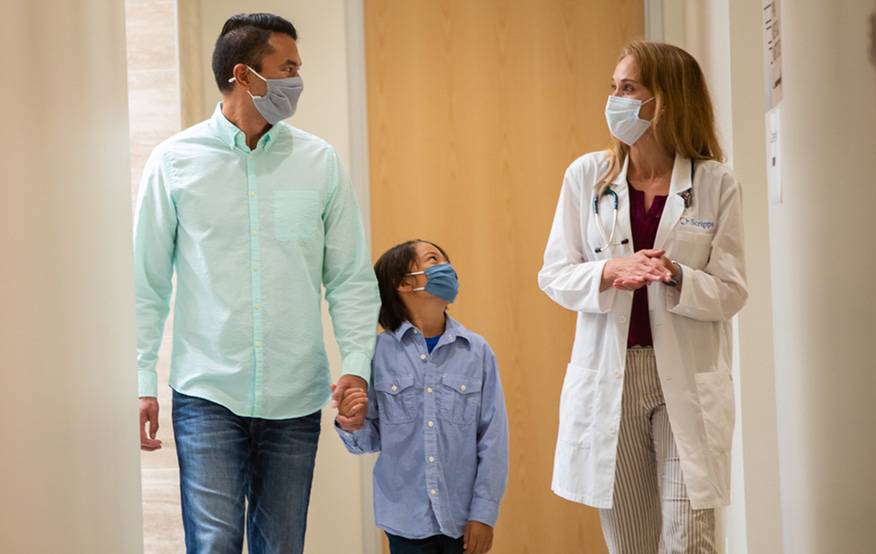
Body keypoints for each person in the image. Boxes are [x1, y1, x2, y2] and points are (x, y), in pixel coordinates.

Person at [133, 12, 379, 553]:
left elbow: (351, 279)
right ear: (244, 76)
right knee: (215, 544)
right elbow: (145, 283)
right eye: (287, 67)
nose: (297, 79)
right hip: (206, 392)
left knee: (283, 546)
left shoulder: (320, 163)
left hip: (294, 395)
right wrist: (141, 379)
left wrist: (357, 367)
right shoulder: (174, 162)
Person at [538, 40, 748, 554]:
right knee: (631, 543)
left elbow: (731, 290)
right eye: (614, 87)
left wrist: (675, 273)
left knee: (688, 540)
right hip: (614, 376)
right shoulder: (588, 177)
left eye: (628, 88)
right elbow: (555, 274)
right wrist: (610, 271)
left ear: (666, 99)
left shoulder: (714, 183)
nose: (615, 99)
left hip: (684, 377)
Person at [335, 240, 508, 554]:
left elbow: (493, 438)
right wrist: (352, 423)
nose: (448, 269)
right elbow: (370, 440)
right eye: (433, 260)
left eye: (446, 261)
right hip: (403, 520)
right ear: (404, 284)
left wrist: (484, 513)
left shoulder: (477, 352)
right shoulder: (376, 354)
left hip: (463, 520)